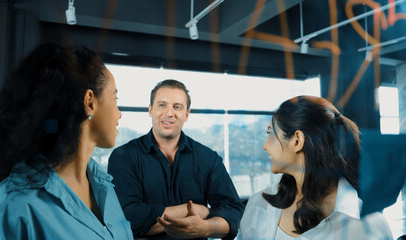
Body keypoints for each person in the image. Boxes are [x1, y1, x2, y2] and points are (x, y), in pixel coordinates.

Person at [0, 43, 134, 240]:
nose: (119, 114)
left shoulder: (105, 188)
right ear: (89, 102)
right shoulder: (6, 208)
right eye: (115, 98)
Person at [238, 95, 393, 240]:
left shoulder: (370, 226)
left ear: (297, 140)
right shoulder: (258, 204)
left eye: (271, 133)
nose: (265, 146)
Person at [108, 79, 244, 240]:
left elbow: (233, 211)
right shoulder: (123, 157)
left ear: (186, 115)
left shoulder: (208, 159)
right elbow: (126, 219)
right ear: (150, 110)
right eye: (162, 105)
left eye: (177, 107)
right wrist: (196, 211)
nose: (169, 113)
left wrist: (205, 228)